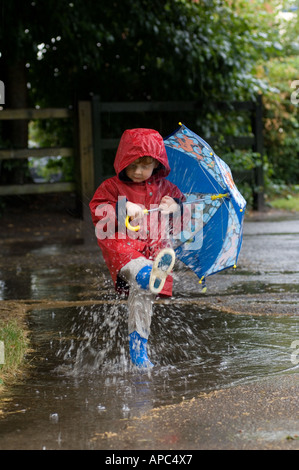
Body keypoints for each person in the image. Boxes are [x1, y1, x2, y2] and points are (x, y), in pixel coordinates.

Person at [89, 128, 185, 368]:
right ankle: (149, 274)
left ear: (157, 164)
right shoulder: (111, 188)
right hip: (123, 249)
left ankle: (139, 351)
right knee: (138, 270)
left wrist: (176, 207)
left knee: (142, 298)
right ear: (122, 162)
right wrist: (123, 208)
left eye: (145, 165)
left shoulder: (167, 189)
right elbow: (99, 212)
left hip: (152, 250)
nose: (138, 172)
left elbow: (182, 223)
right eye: (132, 165)